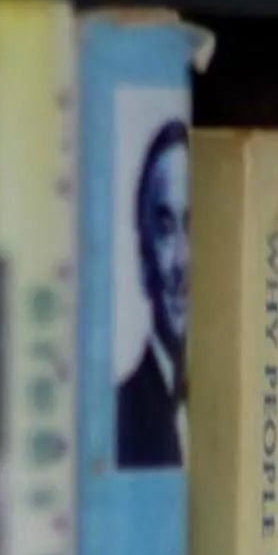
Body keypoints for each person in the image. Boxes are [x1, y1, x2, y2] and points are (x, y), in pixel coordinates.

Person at [115, 119, 189, 469]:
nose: (181, 262)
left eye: (193, 226)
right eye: (165, 229)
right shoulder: (120, 417)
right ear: (143, 257)